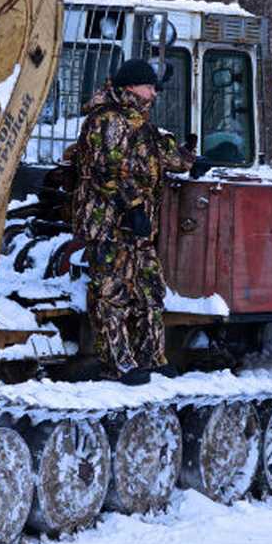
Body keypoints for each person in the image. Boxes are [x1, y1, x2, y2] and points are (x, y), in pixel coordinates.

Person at [71, 59, 196, 385]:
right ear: (130, 87)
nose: (154, 93)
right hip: (110, 225)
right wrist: (133, 208)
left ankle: (152, 358)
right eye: (149, 86)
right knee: (112, 293)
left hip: (138, 229)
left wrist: (192, 161)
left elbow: (164, 156)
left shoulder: (140, 123)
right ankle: (119, 364)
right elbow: (106, 171)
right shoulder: (108, 121)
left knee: (149, 290)